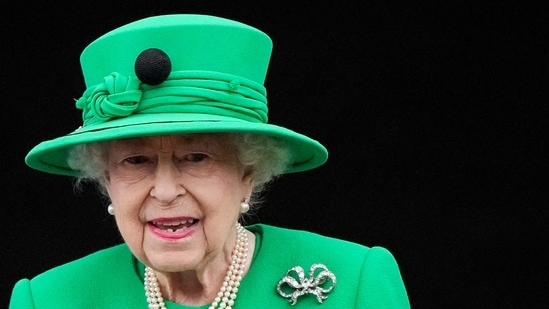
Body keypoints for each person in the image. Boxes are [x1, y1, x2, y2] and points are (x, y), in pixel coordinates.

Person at [9, 14, 410, 308]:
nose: (165, 191)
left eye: (196, 157)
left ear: (248, 175)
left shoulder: (356, 282)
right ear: (106, 180)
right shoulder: (46, 299)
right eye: (135, 161)